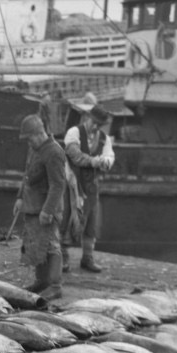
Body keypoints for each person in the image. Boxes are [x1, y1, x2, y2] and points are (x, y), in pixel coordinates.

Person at [12, 114, 66, 300]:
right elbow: (27, 175)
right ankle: (41, 281)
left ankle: (55, 285)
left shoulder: (54, 152)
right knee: (37, 244)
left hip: (45, 208)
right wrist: (20, 198)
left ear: (38, 134)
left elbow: (58, 185)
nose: (28, 142)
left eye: (29, 138)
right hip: (33, 206)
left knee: (51, 245)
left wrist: (48, 210)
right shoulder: (36, 149)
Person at [63, 94, 115, 273]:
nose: (95, 127)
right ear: (87, 117)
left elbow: (109, 156)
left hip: (92, 185)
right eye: (93, 122)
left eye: (99, 125)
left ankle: (87, 258)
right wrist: (93, 161)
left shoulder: (104, 139)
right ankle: (63, 257)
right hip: (73, 184)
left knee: (91, 221)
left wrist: (105, 162)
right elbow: (74, 155)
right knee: (68, 218)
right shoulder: (74, 133)